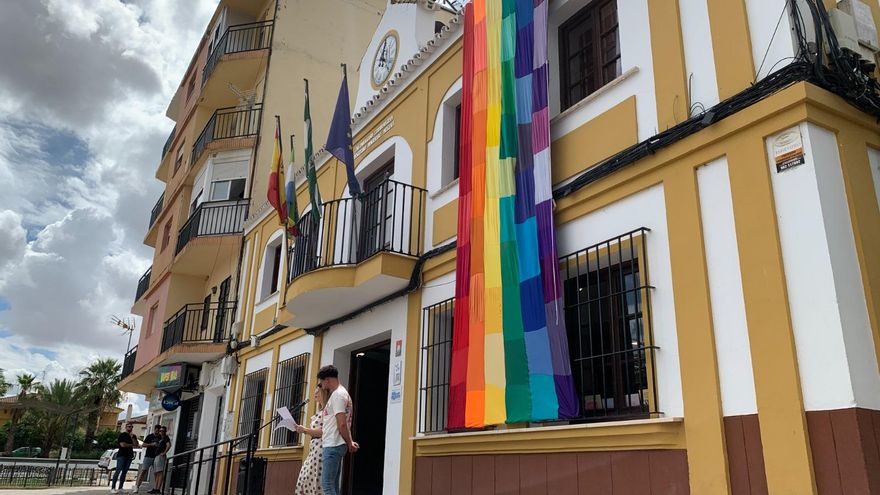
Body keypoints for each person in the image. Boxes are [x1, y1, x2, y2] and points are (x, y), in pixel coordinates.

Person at [317, 365, 358, 495]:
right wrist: (349, 441)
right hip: (335, 443)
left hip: (333, 443)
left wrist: (349, 442)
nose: (320, 384)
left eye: (321, 381)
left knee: (327, 485)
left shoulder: (338, 395)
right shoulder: (341, 394)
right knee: (333, 485)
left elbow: (342, 423)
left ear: (327, 380)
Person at [294, 386, 330, 495]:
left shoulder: (327, 410)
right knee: (303, 479)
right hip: (313, 449)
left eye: (317, 392)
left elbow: (324, 431)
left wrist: (305, 430)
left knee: (315, 481)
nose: (314, 394)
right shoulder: (319, 411)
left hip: (320, 448)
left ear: (324, 393)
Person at [111, 422, 139, 493]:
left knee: (124, 472)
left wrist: (132, 439)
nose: (130, 428)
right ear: (126, 427)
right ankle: (113, 488)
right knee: (118, 470)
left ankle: (120, 488)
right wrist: (131, 445)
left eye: (131, 427)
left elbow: (136, 445)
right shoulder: (122, 435)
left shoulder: (133, 436)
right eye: (129, 426)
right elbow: (123, 445)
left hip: (129, 456)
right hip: (121, 455)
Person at [135, 425, 161, 493]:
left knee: (156, 473)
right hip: (148, 456)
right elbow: (143, 445)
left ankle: (155, 488)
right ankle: (137, 487)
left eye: (159, 430)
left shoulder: (160, 437)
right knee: (143, 471)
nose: (157, 431)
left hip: (156, 456)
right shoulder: (150, 436)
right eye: (157, 430)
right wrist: (151, 444)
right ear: (154, 429)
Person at [148, 426, 171, 494]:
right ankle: (155, 488)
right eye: (160, 431)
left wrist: (164, 452)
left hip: (160, 456)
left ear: (165, 431)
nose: (161, 432)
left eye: (162, 431)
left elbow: (169, 445)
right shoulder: (160, 438)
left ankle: (158, 488)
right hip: (156, 456)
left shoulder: (166, 438)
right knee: (157, 473)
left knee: (160, 472)